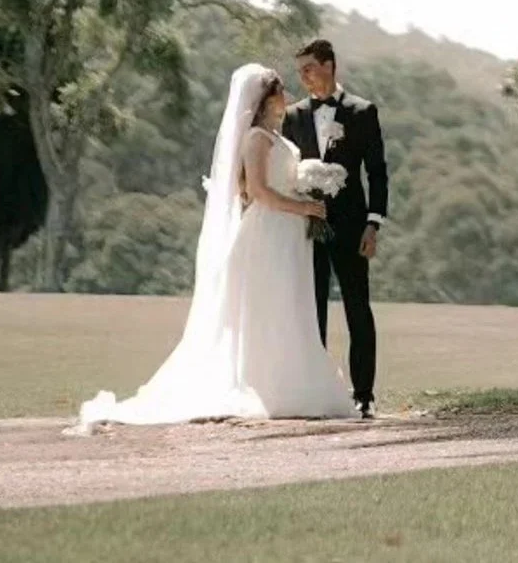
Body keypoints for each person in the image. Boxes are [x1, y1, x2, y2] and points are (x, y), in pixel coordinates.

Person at [76, 63, 354, 426]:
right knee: (268, 305)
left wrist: (310, 188)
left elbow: (283, 182)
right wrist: (302, 206)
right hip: (268, 230)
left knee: (290, 302)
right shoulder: (256, 139)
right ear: (265, 99)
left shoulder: (281, 140)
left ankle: (291, 378)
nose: (286, 97)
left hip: (291, 234)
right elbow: (257, 192)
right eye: (280, 91)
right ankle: (266, 385)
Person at [282, 37, 389, 417]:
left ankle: (364, 395)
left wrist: (373, 224)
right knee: (312, 311)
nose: (304, 77)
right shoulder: (293, 116)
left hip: (352, 226)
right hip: (305, 228)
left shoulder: (363, 111)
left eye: (309, 68)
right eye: (300, 71)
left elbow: (376, 172)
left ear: (330, 65)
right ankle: (317, 392)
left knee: (358, 309)